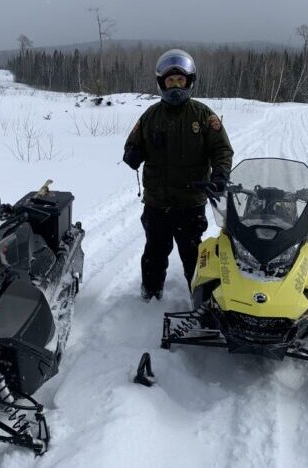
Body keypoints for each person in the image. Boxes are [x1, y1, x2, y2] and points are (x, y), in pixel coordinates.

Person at [123, 49, 233, 301]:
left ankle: (201, 299)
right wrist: (134, 153)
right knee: (154, 253)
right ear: (162, 83)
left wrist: (220, 175)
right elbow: (131, 146)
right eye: (170, 81)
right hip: (157, 202)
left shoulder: (203, 115)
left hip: (190, 201)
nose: (175, 86)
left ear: (189, 82)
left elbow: (222, 149)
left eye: (180, 81)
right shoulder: (150, 116)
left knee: (194, 254)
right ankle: (149, 296)